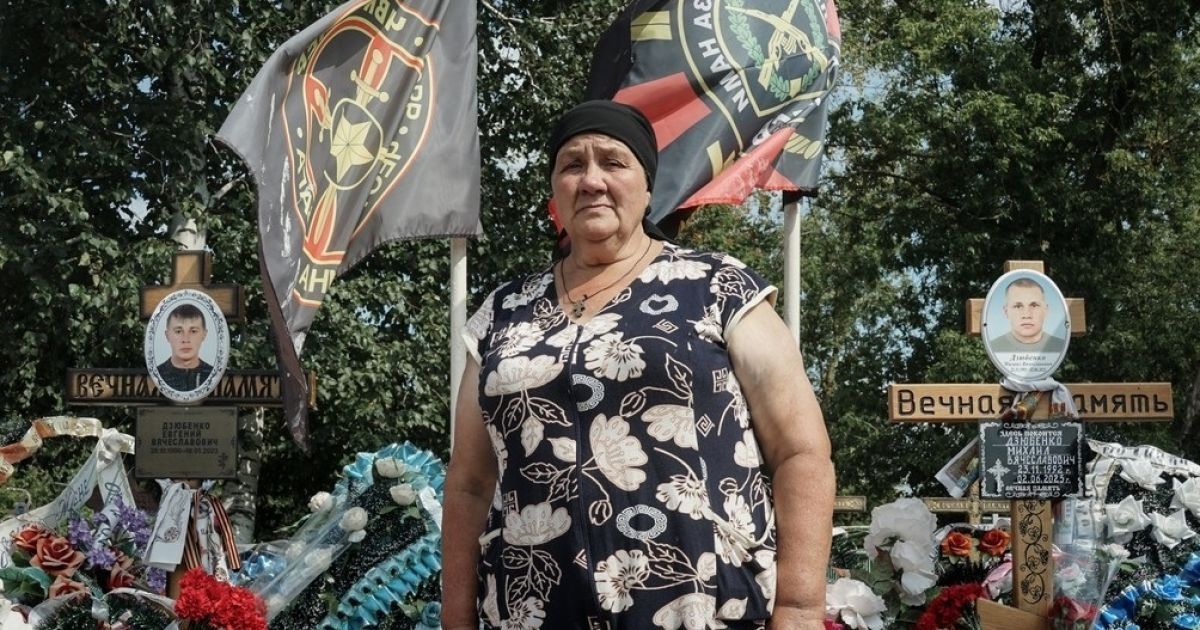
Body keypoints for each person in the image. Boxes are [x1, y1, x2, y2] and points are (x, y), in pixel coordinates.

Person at [442, 100, 834, 629]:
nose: (591, 180)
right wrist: (455, 617)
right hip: (531, 608)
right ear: (554, 189)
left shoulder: (716, 287)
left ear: (647, 186)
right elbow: (470, 482)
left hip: (703, 605)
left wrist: (800, 607)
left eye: (613, 162)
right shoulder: (503, 313)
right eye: (572, 165)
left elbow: (800, 452)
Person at [988, 278, 1066, 353]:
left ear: (1045, 310)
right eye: (1018, 306)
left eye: (1034, 305)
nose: (1027, 315)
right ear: (1006, 312)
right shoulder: (994, 348)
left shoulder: (1060, 347)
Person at [156, 303, 213, 392]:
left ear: (204, 335)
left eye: (193, 331)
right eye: (178, 331)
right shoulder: (155, 376)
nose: (185, 339)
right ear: (167, 335)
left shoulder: (214, 375)